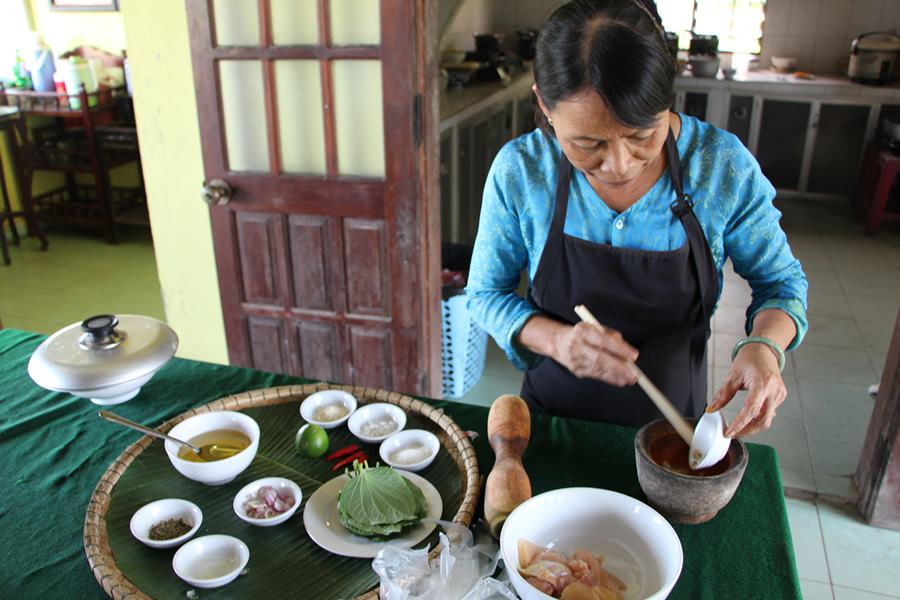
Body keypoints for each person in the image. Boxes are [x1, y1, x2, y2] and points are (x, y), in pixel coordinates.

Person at [465, 0, 807, 439]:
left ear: (667, 99)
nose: (620, 165)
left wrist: (764, 347)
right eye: (588, 144)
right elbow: (484, 294)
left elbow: (781, 284)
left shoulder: (721, 168)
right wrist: (556, 341)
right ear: (544, 105)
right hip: (553, 422)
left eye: (642, 134)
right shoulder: (523, 171)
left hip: (674, 427)